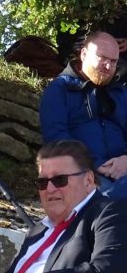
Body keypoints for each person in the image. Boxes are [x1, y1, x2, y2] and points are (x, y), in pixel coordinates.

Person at [0, 140, 127, 273]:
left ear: (88, 180)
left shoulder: (109, 213)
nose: (50, 189)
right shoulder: (38, 231)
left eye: (60, 179)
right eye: (43, 182)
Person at [40, 31, 127, 200]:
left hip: (122, 173)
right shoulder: (59, 90)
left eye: (113, 61)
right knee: (113, 202)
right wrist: (95, 164)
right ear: (84, 54)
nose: (108, 66)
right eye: (102, 58)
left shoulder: (120, 93)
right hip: (81, 175)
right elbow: (56, 140)